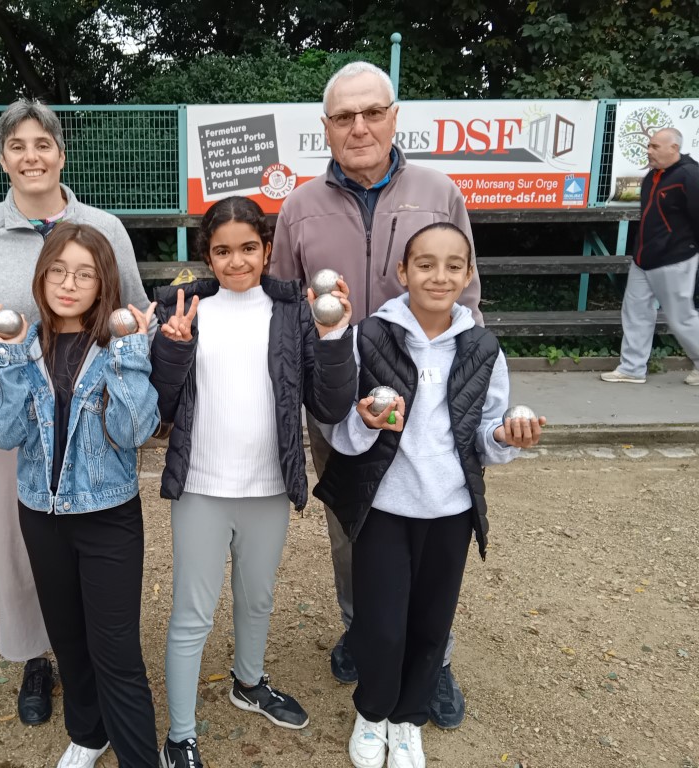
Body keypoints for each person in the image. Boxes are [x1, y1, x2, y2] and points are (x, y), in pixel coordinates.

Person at [0, 99, 154, 724]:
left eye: (42, 143)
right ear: (2, 159)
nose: (31, 156)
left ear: (61, 153)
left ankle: (95, 656)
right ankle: (35, 658)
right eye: (17, 146)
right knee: (17, 540)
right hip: (10, 413)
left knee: (87, 540)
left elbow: (133, 313)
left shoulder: (103, 227)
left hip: (88, 414)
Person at [268, 59, 481, 729]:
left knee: (432, 527)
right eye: (343, 116)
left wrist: (465, 398)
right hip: (338, 399)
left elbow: (468, 299)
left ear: (394, 118)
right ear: (325, 127)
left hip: (427, 401)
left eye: (371, 112)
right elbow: (283, 309)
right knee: (352, 526)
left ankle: (431, 658)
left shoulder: (438, 193)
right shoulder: (300, 207)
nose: (358, 126)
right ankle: (363, 628)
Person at [312, 223, 543, 768]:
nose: (439, 276)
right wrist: (366, 422)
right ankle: (373, 712)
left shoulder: (483, 347)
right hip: (384, 508)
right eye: (425, 264)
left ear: (468, 274)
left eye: (453, 265)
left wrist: (504, 436)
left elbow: (483, 432)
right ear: (402, 272)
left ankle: (408, 720)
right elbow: (338, 425)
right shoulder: (369, 335)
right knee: (381, 624)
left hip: (450, 510)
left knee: (431, 624)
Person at [151, 196, 357, 768]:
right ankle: (180, 736)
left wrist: (335, 336)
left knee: (257, 598)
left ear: (267, 249)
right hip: (201, 487)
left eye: (248, 248)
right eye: (222, 251)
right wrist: (170, 348)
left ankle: (248, 682)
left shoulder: (295, 312)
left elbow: (329, 405)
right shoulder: (184, 309)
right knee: (192, 614)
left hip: (268, 486)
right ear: (207, 255)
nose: (236, 261)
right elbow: (159, 407)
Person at [0, 222, 160, 768]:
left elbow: (134, 431)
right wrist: (3, 359)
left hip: (108, 516)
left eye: (84, 274)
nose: (68, 284)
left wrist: (131, 352)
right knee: (69, 640)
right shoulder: (21, 346)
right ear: (41, 277)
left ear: (104, 284)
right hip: (42, 514)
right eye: (57, 271)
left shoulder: (117, 347)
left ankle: (139, 758)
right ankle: (88, 732)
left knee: (116, 652)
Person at [600, 127, 699, 386]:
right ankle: (632, 368)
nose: (649, 151)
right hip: (643, 258)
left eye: (655, 146)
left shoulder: (690, 176)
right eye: (649, 146)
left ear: (674, 148)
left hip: (675, 259)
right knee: (635, 312)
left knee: (681, 317)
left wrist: (688, 250)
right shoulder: (653, 176)